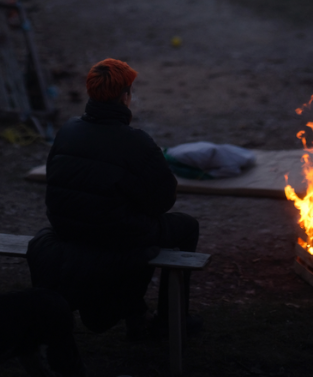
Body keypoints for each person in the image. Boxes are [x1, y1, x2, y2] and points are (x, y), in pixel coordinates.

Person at [26, 58, 200, 336]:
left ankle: (136, 312)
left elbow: (55, 181)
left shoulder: (68, 130)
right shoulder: (137, 141)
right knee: (187, 226)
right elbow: (164, 200)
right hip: (115, 234)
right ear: (125, 96)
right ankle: (170, 318)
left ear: (91, 93)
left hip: (66, 229)